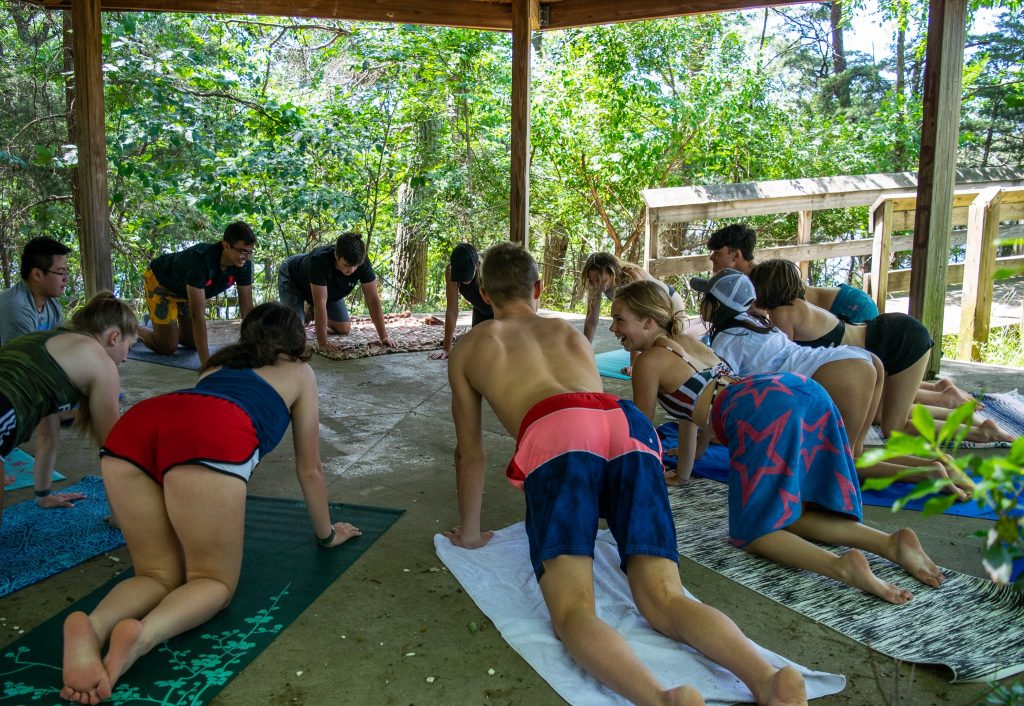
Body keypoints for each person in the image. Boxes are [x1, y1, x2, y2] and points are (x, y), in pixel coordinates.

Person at [445, 242, 807, 706]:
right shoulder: (567, 333)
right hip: (625, 423)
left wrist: (471, 535)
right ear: (538, 288)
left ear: (484, 294)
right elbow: (595, 426)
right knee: (665, 598)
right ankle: (767, 678)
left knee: (574, 610)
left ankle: (661, 698)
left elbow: (469, 454)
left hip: (559, 431)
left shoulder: (472, 346)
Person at [60, 303, 361, 704]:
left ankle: (93, 627)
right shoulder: (299, 372)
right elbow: (310, 469)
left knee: (156, 574)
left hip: (138, 426)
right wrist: (327, 535)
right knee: (211, 581)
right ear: (297, 341)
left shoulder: (216, 368)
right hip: (211, 434)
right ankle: (142, 636)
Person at [609, 280, 946, 605]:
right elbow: (693, 421)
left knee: (755, 533)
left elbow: (640, 435)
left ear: (648, 321)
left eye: (619, 319)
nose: (613, 328)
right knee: (789, 513)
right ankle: (890, 543)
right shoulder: (688, 342)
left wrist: (626, 492)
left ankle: (841, 567)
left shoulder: (648, 363)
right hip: (795, 390)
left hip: (761, 413)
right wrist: (684, 473)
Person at [748, 258, 1012, 450]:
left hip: (896, 341)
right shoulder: (797, 304)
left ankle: (981, 433)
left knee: (893, 427)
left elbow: (780, 362)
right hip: (887, 338)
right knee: (886, 414)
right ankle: (958, 411)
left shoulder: (784, 312)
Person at [691, 268, 883, 459]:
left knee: (841, 463)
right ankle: (914, 470)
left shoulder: (725, 340)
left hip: (835, 371)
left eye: (704, 298)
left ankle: (915, 474)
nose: (701, 304)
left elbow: (716, 399)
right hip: (859, 360)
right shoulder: (757, 322)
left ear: (716, 305)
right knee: (854, 456)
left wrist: (698, 447)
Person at [0, 292, 137, 525]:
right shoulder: (101, 364)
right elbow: (113, 450)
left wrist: (43, 495)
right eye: (130, 346)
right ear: (114, 337)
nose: (126, 358)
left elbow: (47, 437)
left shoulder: (48, 345)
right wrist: (120, 517)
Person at [137, 221, 256, 368]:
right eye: (242, 251)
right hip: (161, 283)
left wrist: (254, 351)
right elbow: (197, 315)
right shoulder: (200, 260)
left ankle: (166, 329)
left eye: (250, 252)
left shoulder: (243, 265)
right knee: (167, 347)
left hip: (186, 290)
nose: (246, 256)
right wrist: (206, 364)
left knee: (193, 343)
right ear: (225, 245)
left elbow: (247, 311)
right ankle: (133, 328)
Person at [706, 223, 878, 323]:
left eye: (717, 253)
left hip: (850, 306)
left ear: (736, 255)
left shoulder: (763, 281)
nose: (711, 257)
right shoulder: (752, 279)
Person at [278, 232, 395, 354]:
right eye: (346, 265)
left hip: (326, 289)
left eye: (356, 266)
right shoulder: (319, 260)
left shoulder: (362, 262)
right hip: (293, 278)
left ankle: (311, 314)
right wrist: (323, 343)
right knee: (294, 331)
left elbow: (372, 299)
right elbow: (320, 304)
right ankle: (281, 314)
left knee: (344, 328)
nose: (351, 270)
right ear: (336, 255)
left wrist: (384, 336)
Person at [429, 243, 493, 361]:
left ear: (477, 266)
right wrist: (447, 348)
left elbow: (506, 305)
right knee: (474, 345)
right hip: (480, 308)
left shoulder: (490, 268)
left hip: (499, 309)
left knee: (490, 347)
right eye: (460, 278)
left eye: (466, 277)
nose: (463, 282)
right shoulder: (450, 272)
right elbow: (452, 310)